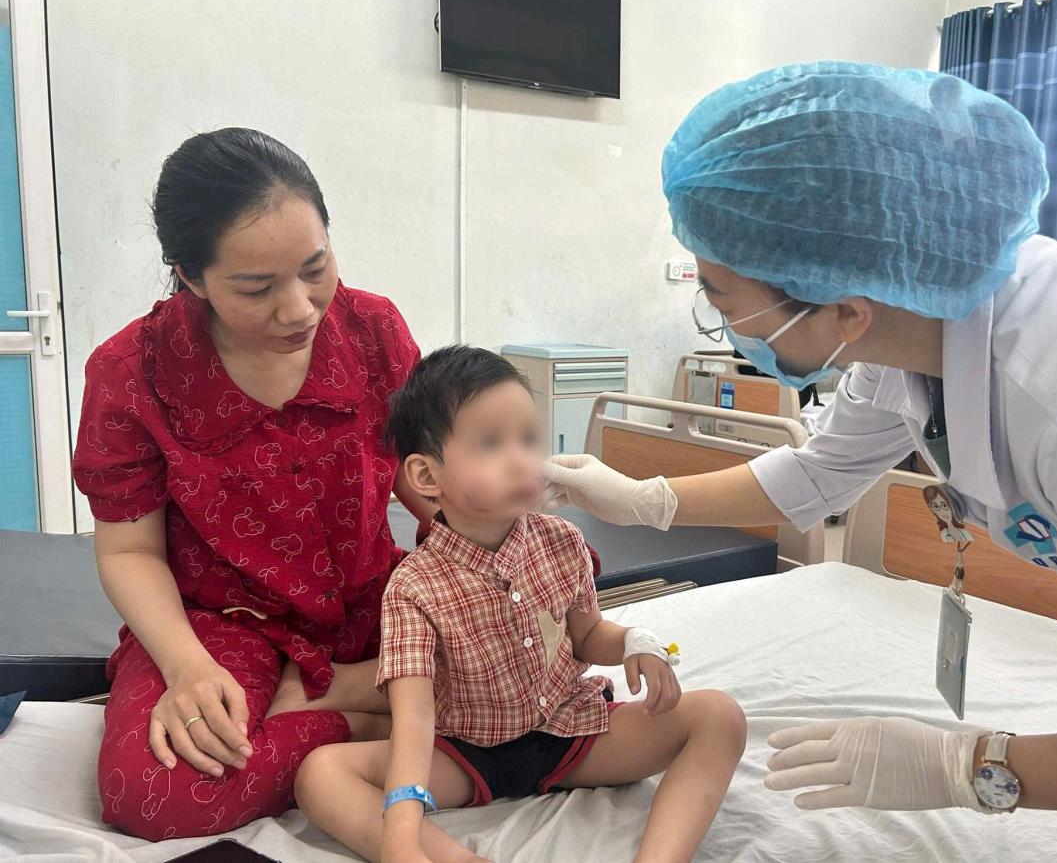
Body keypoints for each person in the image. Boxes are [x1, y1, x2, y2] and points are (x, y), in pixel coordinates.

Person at [542, 62, 1057, 861]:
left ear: (845, 310)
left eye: (720, 297)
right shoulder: (906, 334)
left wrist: (966, 765)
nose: (720, 321)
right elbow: (816, 474)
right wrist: (642, 498)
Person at [71, 128, 435, 840]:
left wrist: (488, 557)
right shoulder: (131, 374)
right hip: (222, 623)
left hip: (371, 605)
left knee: (534, 674)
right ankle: (366, 722)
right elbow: (129, 550)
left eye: (315, 268)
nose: (299, 308)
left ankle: (340, 700)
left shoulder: (373, 329)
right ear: (191, 276)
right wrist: (187, 669)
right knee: (154, 792)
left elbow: (423, 476)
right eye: (257, 288)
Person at [294, 346, 747, 863]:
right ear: (426, 477)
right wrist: (401, 834)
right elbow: (414, 718)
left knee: (719, 716)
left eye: (529, 439)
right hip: (466, 752)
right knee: (320, 775)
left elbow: (587, 635)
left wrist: (632, 643)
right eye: (491, 443)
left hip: (569, 734)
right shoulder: (413, 587)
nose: (521, 460)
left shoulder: (562, 542)